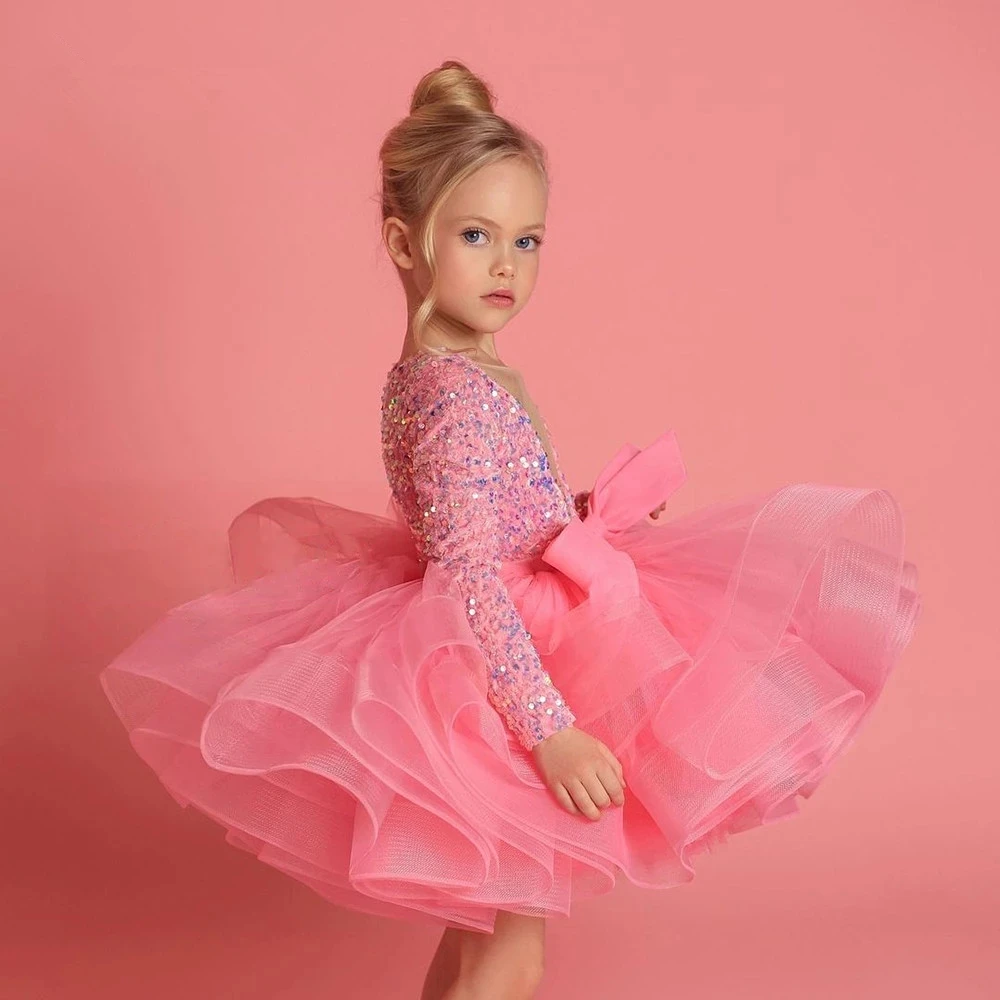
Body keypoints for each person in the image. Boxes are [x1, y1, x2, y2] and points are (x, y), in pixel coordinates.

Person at [99, 60, 922, 1000]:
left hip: (506, 649)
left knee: (480, 941)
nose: (505, 265)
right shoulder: (453, 394)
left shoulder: (449, 370)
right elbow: (466, 577)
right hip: (498, 677)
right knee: (511, 957)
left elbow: (488, 515)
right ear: (404, 243)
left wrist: (570, 513)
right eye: (476, 235)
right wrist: (551, 733)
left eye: (527, 240)